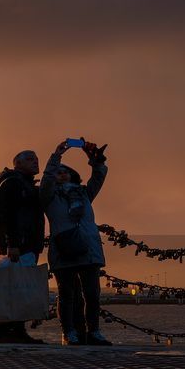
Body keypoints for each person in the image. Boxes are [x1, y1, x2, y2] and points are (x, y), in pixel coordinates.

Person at [40, 139, 111, 346]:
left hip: (88, 247)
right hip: (64, 248)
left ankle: (94, 332)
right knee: (66, 294)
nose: (61, 173)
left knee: (92, 294)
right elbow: (45, 182)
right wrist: (56, 156)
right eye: (57, 172)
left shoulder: (84, 194)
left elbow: (98, 178)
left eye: (65, 171)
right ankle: (69, 332)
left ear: (72, 175)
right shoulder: (48, 197)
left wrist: (95, 160)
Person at [0, 150, 46, 344]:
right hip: (18, 245)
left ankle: (11, 331)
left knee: (16, 288)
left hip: (23, 243)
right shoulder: (13, 183)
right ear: (17, 164)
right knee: (16, 288)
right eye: (30, 159)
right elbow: (9, 215)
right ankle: (9, 331)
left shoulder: (23, 183)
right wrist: (13, 243)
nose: (36, 162)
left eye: (37, 159)